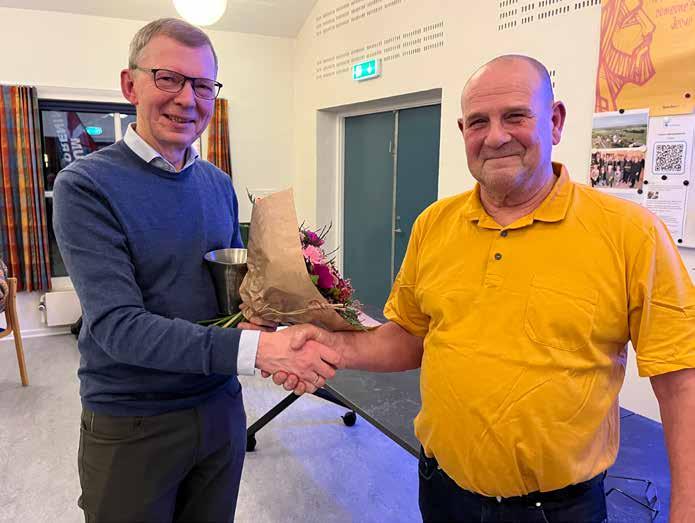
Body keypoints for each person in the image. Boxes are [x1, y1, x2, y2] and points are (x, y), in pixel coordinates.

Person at [271, 55, 695, 522]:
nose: (495, 136)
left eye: (515, 116)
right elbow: (410, 337)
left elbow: (681, 380)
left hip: (556, 510)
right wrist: (330, 345)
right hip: (441, 491)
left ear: (555, 122)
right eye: (478, 122)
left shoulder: (631, 234)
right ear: (463, 132)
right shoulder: (434, 224)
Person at [53, 18, 339, 523]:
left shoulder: (217, 184)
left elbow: (239, 300)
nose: (187, 99)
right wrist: (259, 351)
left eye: (203, 85)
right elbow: (119, 328)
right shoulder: (85, 187)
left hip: (220, 406)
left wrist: (292, 322)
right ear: (130, 85)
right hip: (134, 420)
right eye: (169, 78)